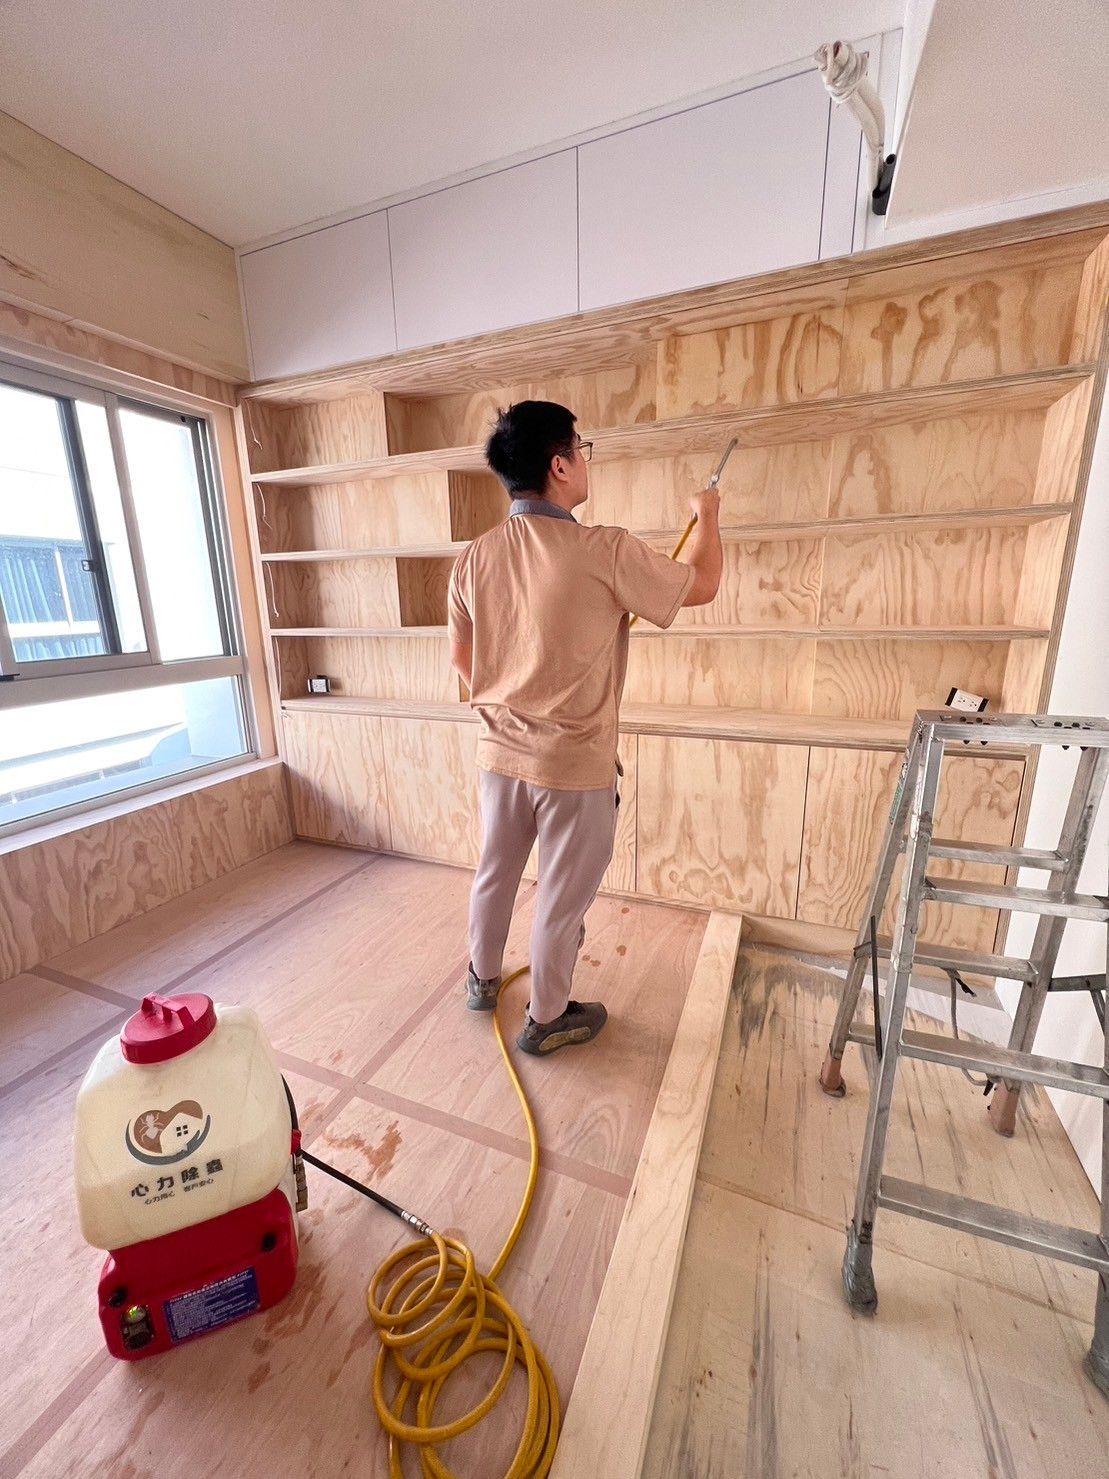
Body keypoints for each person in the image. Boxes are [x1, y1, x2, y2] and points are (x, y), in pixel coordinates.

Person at [447, 399, 723, 1055]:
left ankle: (482, 981)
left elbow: (460, 661)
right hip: (572, 768)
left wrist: (513, 690)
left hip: (497, 755)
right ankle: (546, 1018)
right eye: (582, 447)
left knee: (494, 872)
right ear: (559, 465)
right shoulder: (605, 548)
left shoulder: (474, 556)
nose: (585, 458)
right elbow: (704, 583)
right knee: (560, 902)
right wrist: (707, 517)